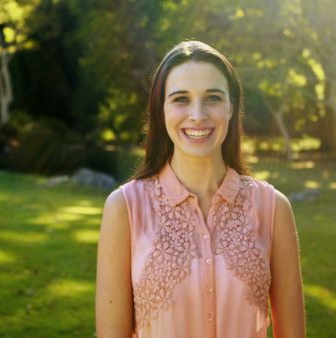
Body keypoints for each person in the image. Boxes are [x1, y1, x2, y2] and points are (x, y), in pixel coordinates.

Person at [96, 40, 305, 338]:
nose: (198, 114)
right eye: (181, 98)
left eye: (213, 98)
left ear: (232, 107)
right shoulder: (124, 208)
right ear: (161, 110)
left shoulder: (273, 208)